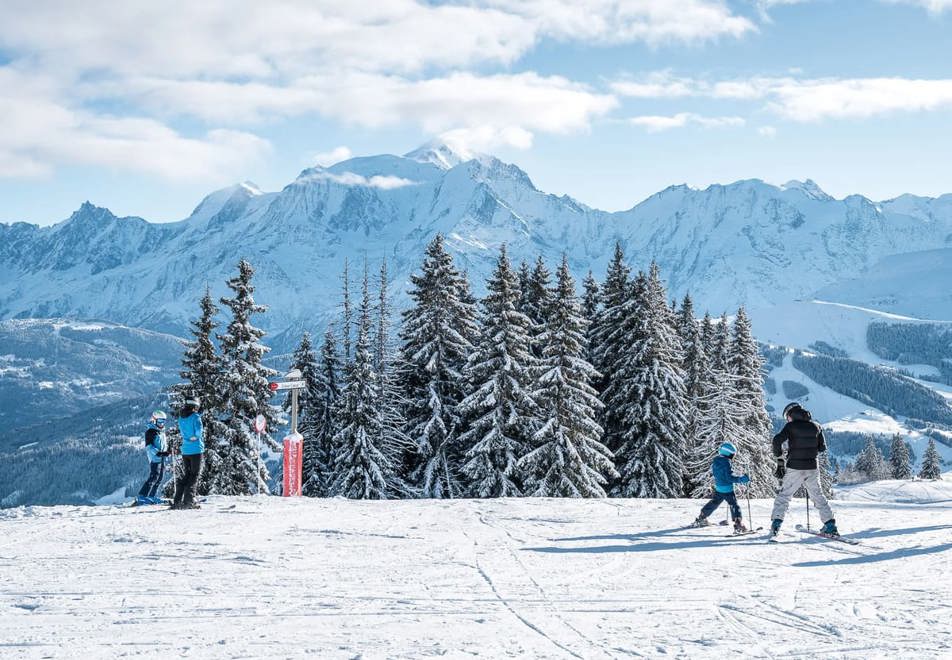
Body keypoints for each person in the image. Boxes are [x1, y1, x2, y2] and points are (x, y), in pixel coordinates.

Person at [770, 402, 838, 537]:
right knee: (818, 496)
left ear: (790, 414)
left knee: (784, 495)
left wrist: (780, 460)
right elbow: (822, 448)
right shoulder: (816, 426)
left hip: (794, 467)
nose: (787, 420)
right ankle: (830, 525)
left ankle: (776, 525)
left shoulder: (790, 426)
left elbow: (777, 440)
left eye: (787, 417)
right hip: (812, 467)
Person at [692, 442, 751, 533]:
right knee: (734, 505)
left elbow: (721, 474)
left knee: (714, 502)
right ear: (728, 453)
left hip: (719, 487)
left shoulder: (716, 460)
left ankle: (701, 517)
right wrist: (742, 479)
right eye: (733, 454)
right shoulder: (726, 462)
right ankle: (738, 524)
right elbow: (729, 478)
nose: (733, 456)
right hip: (727, 489)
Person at [173, 398, 204, 510]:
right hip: (196, 449)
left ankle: (177, 501)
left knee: (187, 474)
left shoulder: (181, 417)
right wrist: (195, 437)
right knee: (194, 475)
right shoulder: (195, 417)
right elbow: (199, 431)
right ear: (195, 405)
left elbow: (183, 432)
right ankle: (188, 501)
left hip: (185, 450)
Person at [136, 410, 170, 505]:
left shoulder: (161, 431)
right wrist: (158, 453)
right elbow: (149, 447)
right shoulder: (150, 432)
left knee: (160, 478)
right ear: (154, 420)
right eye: (160, 421)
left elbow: (163, 444)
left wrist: (167, 451)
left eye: (163, 421)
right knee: (154, 476)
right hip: (155, 458)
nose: (162, 424)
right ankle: (141, 496)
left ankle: (151, 496)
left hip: (162, 457)